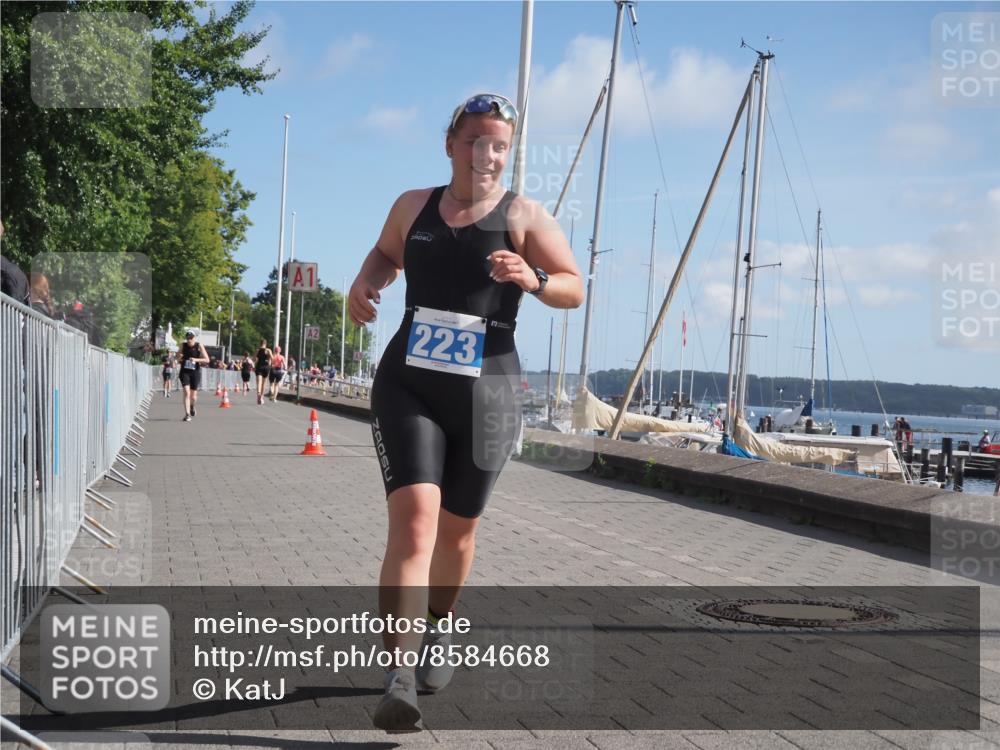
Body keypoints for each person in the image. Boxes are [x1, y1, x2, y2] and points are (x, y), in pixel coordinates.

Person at [348, 92, 583, 732]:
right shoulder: (412, 206)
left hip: (489, 392)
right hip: (410, 383)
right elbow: (384, 255)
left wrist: (532, 279)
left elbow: (573, 287)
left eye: (499, 145)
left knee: (456, 531)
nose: (487, 154)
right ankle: (398, 676)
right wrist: (363, 284)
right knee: (415, 522)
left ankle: (440, 626)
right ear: (450, 144)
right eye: (475, 140)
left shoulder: (523, 215)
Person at [179, 329, 209, 421]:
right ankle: (187, 414)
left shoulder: (199, 346)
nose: (189, 340)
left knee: (193, 397)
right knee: (186, 393)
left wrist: (196, 360)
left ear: (194, 338)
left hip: (195, 372)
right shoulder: (183, 345)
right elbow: (177, 357)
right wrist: (179, 357)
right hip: (185, 372)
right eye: (188, 338)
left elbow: (207, 360)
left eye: (191, 338)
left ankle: (192, 406)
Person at [254, 340, 272, 405]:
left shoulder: (257, 350)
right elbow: (272, 358)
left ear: (260, 343)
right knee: (264, 383)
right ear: (265, 344)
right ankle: (261, 397)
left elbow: (254, 359)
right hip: (266, 367)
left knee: (259, 381)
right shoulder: (268, 350)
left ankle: (258, 393)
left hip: (259, 366)